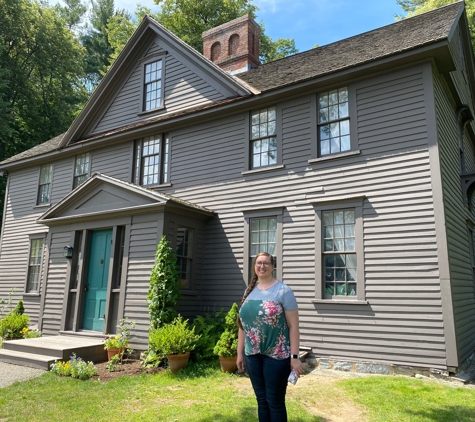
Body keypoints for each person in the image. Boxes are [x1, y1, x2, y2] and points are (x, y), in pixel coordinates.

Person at [237, 252, 303, 422]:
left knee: (275, 402)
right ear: (254, 266)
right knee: (261, 401)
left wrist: (294, 357)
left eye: (266, 263)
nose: (262, 266)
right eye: (258, 263)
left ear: (273, 266)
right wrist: (240, 353)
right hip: (252, 355)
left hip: (277, 356)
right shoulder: (249, 290)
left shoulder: (283, 291)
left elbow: (293, 326)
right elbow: (243, 325)